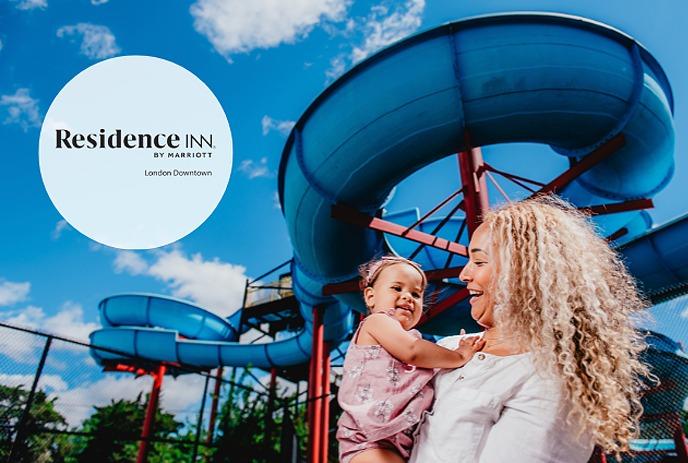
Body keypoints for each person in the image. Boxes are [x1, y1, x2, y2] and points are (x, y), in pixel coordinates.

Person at [409, 195, 651, 463]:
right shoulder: (447, 347)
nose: (464, 274)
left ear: (522, 272)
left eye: (479, 262)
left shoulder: (554, 378)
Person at [337, 255, 485, 463]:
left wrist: (454, 345)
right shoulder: (377, 322)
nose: (407, 297)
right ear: (371, 297)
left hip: (400, 440)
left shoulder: (412, 338)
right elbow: (413, 351)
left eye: (416, 294)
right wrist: (458, 355)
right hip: (367, 440)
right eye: (397, 288)